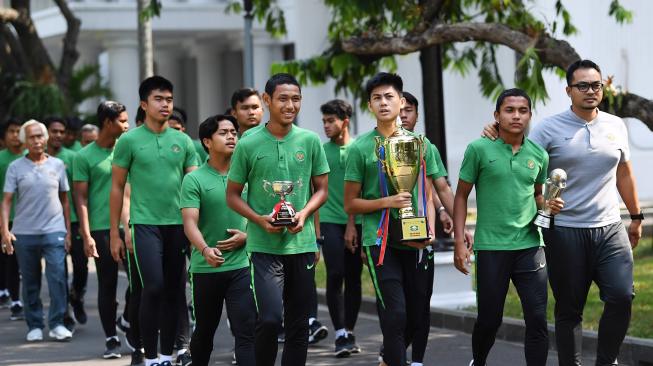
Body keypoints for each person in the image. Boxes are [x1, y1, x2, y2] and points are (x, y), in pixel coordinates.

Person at [482, 60, 642, 366]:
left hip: (609, 227)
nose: (590, 91)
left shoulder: (615, 125)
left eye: (596, 85)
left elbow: (624, 174)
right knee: (570, 309)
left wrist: (635, 217)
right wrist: (495, 131)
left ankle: (607, 361)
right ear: (568, 91)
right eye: (582, 86)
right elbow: (524, 161)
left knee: (622, 296)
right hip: (565, 230)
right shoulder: (548, 129)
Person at [226, 73, 329, 366]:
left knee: (298, 325)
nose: (290, 105)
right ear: (267, 101)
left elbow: (321, 190)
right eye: (283, 98)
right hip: (264, 248)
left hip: (302, 245)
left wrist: (304, 214)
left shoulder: (309, 141)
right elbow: (232, 195)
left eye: (295, 99)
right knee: (270, 319)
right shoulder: (248, 142)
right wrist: (258, 220)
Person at [455, 88, 563, 366]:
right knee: (490, 320)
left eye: (523, 110)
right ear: (497, 115)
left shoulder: (538, 154)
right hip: (491, 247)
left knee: (538, 318)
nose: (516, 116)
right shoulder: (478, 149)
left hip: (530, 245)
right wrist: (458, 241)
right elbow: (461, 195)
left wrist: (548, 205)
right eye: (509, 110)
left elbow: (538, 194)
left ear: (529, 115)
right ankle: (478, 361)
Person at [344, 72, 437, 366]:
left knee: (416, 313)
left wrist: (431, 228)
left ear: (400, 101)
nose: (383, 103)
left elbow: (429, 193)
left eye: (389, 97)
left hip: (414, 236)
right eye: (376, 98)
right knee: (394, 314)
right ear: (369, 105)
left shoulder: (420, 143)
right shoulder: (360, 147)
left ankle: (387, 357)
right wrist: (388, 202)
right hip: (379, 241)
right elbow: (350, 203)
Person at [110, 76, 198, 366]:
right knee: (153, 287)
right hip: (145, 225)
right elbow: (117, 187)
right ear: (144, 104)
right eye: (159, 99)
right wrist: (116, 233)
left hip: (177, 226)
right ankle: (148, 356)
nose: (165, 105)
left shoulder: (183, 140)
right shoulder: (129, 141)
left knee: (174, 291)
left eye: (169, 99)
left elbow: (194, 185)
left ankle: (165, 357)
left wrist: (196, 229)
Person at [181, 114, 256, 366]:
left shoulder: (248, 174)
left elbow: (261, 213)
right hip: (206, 268)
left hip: (242, 266)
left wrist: (247, 236)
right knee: (204, 333)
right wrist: (204, 249)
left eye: (234, 132)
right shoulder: (194, 179)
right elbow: (189, 222)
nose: (231, 136)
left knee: (246, 333)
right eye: (223, 133)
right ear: (207, 142)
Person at [1, 120, 72, 342]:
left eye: (40, 136)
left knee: (58, 277)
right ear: (24, 140)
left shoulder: (58, 165)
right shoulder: (15, 167)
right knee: (30, 281)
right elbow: (6, 201)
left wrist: (68, 230)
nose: (37, 140)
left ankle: (58, 323)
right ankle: (34, 324)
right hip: (24, 232)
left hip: (54, 230)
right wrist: (5, 231)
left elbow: (65, 200)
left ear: (46, 138)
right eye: (31, 137)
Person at [73, 101, 134, 359]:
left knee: (141, 282)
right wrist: (86, 235)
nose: (127, 125)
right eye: (122, 120)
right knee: (107, 284)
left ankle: (128, 320)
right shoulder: (83, 156)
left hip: (131, 227)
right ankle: (111, 338)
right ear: (108, 123)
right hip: (100, 229)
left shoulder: (128, 149)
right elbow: (81, 200)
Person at [317, 99, 363, 357]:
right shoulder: (322, 151)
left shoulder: (358, 149)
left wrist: (352, 224)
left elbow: (359, 190)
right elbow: (316, 191)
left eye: (330, 120)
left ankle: (349, 330)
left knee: (354, 277)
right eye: (324, 120)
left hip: (356, 220)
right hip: (329, 221)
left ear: (344, 121)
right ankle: (339, 334)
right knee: (335, 273)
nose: (326, 125)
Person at [45, 116, 86, 328]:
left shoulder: (73, 157)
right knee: (58, 272)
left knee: (81, 267)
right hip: (51, 225)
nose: (59, 135)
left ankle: (76, 297)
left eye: (62, 131)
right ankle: (64, 314)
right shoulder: (33, 158)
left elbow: (80, 194)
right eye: (54, 131)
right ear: (46, 133)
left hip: (75, 222)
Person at [0, 118, 24, 321]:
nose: (16, 135)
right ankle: (15, 299)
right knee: (9, 260)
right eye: (12, 131)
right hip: (5, 219)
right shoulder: (1, 159)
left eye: (19, 131)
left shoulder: (30, 158)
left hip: (27, 220)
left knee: (23, 261)